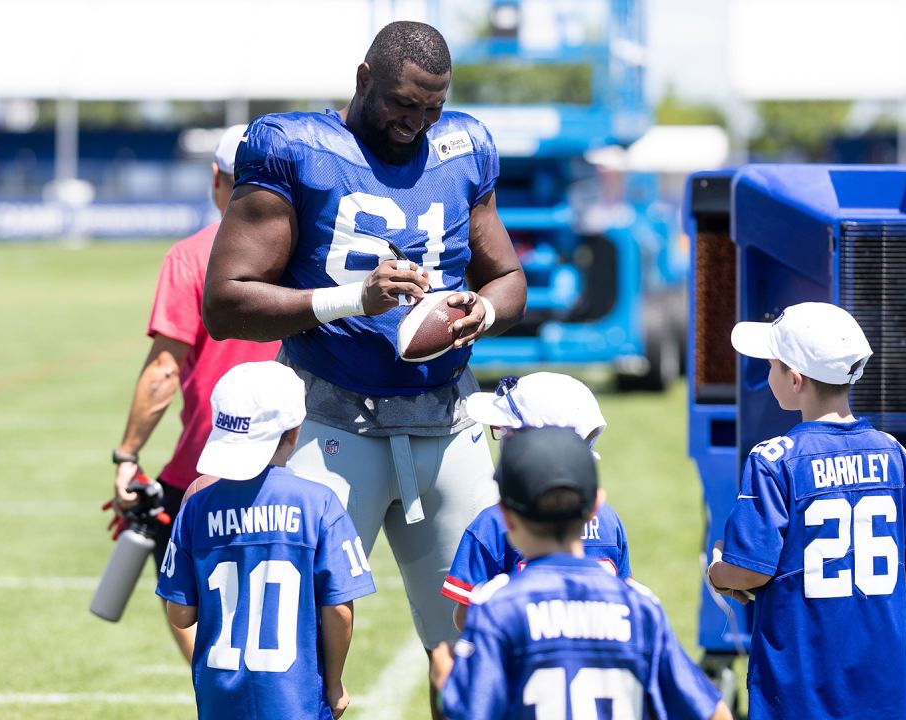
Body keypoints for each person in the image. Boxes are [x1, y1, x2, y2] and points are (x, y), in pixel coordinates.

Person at [201, 20, 526, 717]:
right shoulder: (294, 148)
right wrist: (356, 298)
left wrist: (483, 313)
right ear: (362, 79)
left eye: (431, 110)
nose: (415, 123)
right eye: (403, 104)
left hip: (448, 422)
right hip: (331, 420)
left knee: (481, 648)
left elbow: (507, 276)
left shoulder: (463, 147)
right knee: (300, 649)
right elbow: (225, 303)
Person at [706, 302, 906, 720]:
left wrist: (719, 572)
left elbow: (750, 571)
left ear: (795, 380)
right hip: (879, 690)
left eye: (772, 365)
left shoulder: (774, 459)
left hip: (799, 691)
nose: (767, 373)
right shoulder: (896, 455)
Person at [109, 124, 280, 661]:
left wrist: (127, 455)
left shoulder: (192, 256)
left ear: (217, 179)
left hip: (208, 462)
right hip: (297, 456)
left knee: (187, 602)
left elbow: (164, 370)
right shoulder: (304, 248)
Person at [439, 427, 732, 720]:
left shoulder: (497, 608)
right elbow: (714, 714)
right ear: (596, 506)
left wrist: (446, 685)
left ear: (505, 515)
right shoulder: (641, 609)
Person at [156, 361, 376, 719]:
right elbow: (338, 609)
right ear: (294, 431)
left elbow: (180, 615)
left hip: (219, 701)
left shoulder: (196, 505)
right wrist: (334, 682)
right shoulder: (319, 504)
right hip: (297, 700)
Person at [441, 372, 632, 631]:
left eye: (505, 430)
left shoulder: (494, 522)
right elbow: (624, 599)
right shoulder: (609, 519)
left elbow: (467, 617)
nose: (500, 438)